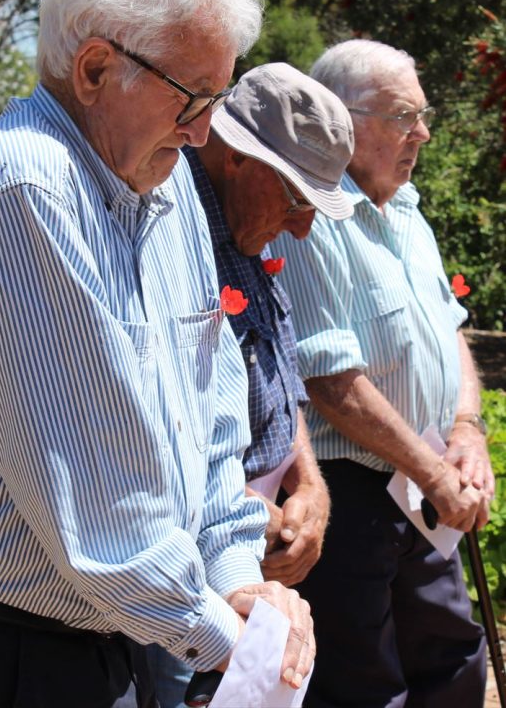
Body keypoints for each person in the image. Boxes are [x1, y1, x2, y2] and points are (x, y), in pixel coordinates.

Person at [0, 0, 314, 707]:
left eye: (218, 95)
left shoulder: (163, 195)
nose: (205, 132)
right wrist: (234, 636)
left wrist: (237, 580)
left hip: (112, 646)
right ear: (95, 69)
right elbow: (103, 521)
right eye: (192, 96)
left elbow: (213, 425)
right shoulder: (24, 188)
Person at [274, 38, 495, 708]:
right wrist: (434, 474)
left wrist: (466, 428)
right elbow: (330, 381)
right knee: (362, 684)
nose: (422, 133)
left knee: (455, 659)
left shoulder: (405, 208)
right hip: (351, 495)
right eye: (405, 116)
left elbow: (447, 327)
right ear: (342, 119)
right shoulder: (309, 214)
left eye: (423, 116)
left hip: (421, 483)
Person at [141, 62, 356, 708]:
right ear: (236, 157)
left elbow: (279, 377)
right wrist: (243, 511)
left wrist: (310, 486)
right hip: (191, 587)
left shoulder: (245, 230)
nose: (302, 227)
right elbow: (156, 422)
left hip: (251, 566)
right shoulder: (168, 232)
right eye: (296, 200)